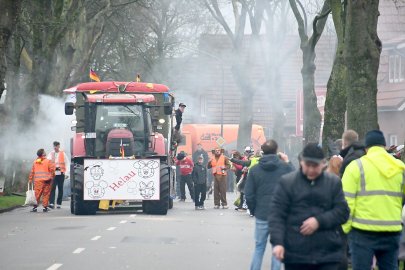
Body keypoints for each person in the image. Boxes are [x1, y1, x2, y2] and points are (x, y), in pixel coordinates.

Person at [269, 143, 349, 270]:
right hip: (296, 254)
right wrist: (278, 243)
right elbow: (277, 215)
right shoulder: (287, 183)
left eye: (315, 166)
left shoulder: (333, 183)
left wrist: (319, 221)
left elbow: (342, 212)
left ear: (323, 164)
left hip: (328, 254)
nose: (311, 170)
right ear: (301, 162)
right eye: (308, 165)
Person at [342, 130, 405, 270]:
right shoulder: (400, 168)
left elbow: (347, 203)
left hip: (362, 231)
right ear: (384, 146)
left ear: (366, 148)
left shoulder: (355, 167)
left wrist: (345, 230)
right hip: (392, 230)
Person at [244, 140, 294, 270]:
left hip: (262, 213)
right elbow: (296, 179)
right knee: (277, 247)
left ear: (262, 152)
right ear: (277, 151)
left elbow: (248, 194)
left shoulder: (255, 170)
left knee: (259, 247)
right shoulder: (284, 167)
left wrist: (254, 210)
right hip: (280, 214)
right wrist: (287, 160)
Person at [47, 141, 69, 209]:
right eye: (55, 146)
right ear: (53, 146)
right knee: (52, 188)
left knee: (60, 188)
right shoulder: (50, 154)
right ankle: (51, 203)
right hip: (53, 173)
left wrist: (67, 173)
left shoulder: (63, 154)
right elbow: (47, 163)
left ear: (59, 146)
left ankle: (59, 203)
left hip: (61, 173)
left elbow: (67, 163)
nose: (56, 147)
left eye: (57, 146)